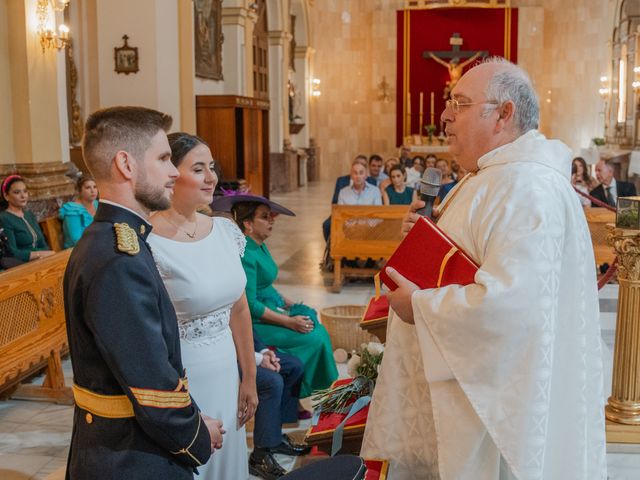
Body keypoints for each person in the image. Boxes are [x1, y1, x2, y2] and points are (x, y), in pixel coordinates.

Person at [362, 58, 607, 479]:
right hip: (465, 393)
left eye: (461, 103)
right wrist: (429, 234)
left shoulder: (528, 188)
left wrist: (419, 306)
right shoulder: (492, 176)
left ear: (504, 114)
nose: (444, 115)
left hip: (495, 413)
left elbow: (514, 307)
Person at [64, 106, 223, 480]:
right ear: (126, 164)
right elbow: (150, 380)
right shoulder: (119, 258)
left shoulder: (115, 240)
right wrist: (198, 435)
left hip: (121, 445)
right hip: (129, 457)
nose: (173, 172)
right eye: (165, 158)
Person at [148, 132, 258, 479]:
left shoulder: (224, 231)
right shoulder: (148, 242)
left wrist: (249, 378)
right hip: (185, 379)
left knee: (230, 462)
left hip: (227, 372)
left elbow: (239, 309)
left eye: (212, 167)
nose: (211, 177)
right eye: (198, 169)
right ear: (169, 174)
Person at [213, 194, 338, 399]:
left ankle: (296, 396)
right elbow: (249, 304)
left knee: (317, 329)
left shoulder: (259, 244)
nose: (271, 220)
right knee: (314, 339)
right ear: (248, 224)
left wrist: (289, 305)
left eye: (271, 216)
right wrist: (288, 322)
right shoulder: (245, 252)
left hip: (269, 308)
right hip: (253, 323)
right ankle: (295, 394)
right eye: (264, 216)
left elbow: (266, 286)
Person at [250, 328, 309, 479]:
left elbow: (246, 325)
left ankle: (274, 437)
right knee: (272, 381)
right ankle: (259, 456)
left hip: (251, 353)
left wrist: (263, 351)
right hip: (233, 358)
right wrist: (258, 359)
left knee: (294, 366)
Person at [0, 175, 55, 262]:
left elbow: (43, 244)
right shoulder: (4, 218)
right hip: (21, 266)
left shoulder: (29, 215)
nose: (23, 196)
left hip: (41, 261)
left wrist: (45, 254)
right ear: (6, 196)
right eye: (17, 192)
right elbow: (13, 253)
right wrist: (39, 254)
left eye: (25, 191)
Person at [59, 176, 99, 248]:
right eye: (88, 188)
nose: (93, 191)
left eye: (95, 187)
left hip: (97, 244)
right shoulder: (73, 210)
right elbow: (76, 240)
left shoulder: (97, 204)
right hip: (77, 250)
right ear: (79, 191)